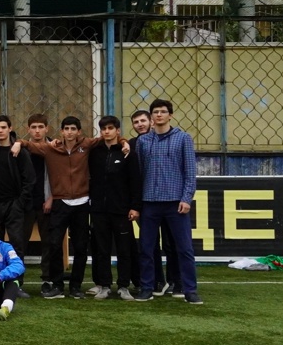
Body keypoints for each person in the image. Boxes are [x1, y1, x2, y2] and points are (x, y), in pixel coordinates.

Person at [22, 116, 116, 299]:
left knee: (80, 247)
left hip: (82, 203)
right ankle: (57, 285)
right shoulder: (51, 148)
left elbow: (108, 138)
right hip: (60, 203)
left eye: (73, 128)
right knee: (54, 244)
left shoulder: (87, 144)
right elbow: (29, 145)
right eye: (66, 129)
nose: (70, 132)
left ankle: (75, 286)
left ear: (79, 131)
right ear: (61, 131)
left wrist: (124, 141)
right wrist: (18, 143)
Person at [134, 99, 201, 304]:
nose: (159, 115)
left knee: (184, 248)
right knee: (146, 249)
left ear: (170, 115)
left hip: (175, 203)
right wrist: (137, 203)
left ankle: (190, 290)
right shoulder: (143, 142)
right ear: (152, 116)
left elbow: (190, 172)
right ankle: (147, 287)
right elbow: (138, 173)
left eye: (163, 111)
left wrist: (186, 198)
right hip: (149, 203)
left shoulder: (183, 138)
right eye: (156, 112)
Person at [89, 116, 143, 301]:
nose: (107, 131)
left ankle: (123, 286)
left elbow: (135, 181)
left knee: (124, 250)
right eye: (104, 128)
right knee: (102, 250)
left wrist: (135, 207)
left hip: (121, 211)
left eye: (110, 128)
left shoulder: (128, 152)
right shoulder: (94, 152)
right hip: (99, 210)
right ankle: (104, 286)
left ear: (118, 130)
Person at [131, 109, 177, 295]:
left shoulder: (167, 140)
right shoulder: (132, 144)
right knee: (149, 245)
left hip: (168, 200)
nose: (140, 125)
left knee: (171, 243)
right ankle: (157, 280)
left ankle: (175, 281)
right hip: (145, 202)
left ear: (151, 122)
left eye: (143, 121)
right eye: (136, 122)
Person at [0, 115, 35, 264]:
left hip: (14, 204)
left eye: (3, 127)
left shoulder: (20, 152)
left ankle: (16, 277)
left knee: (17, 244)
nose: (0, 131)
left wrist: (20, 202)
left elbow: (30, 179)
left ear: (10, 128)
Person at [22, 114, 52, 268]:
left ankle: (47, 276)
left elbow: (60, 176)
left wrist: (51, 198)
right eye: (33, 127)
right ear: (28, 129)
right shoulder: (21, 148)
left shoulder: (55, 147)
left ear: (47, 128)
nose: (37, 131)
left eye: (41, 127)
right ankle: (16, 276)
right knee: (20, 241)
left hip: (46, 201)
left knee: (48, 242)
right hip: (25, 201)